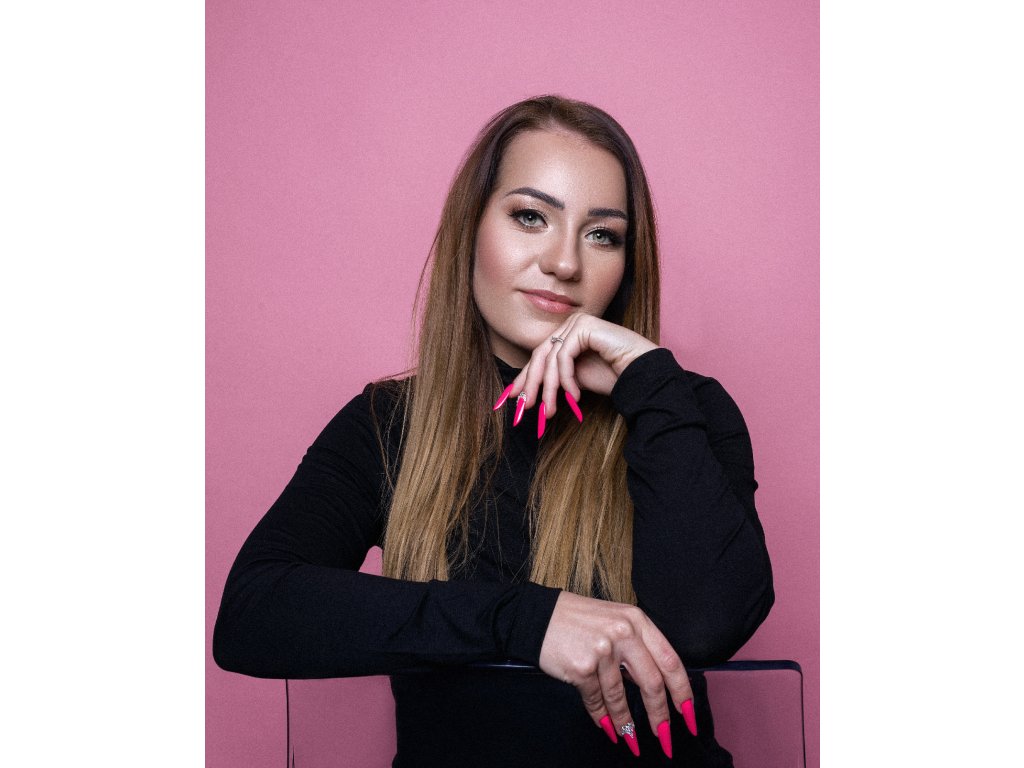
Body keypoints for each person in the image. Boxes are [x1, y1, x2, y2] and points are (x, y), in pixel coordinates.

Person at [213, 95, 774, 767]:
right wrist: (527, 620)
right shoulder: (391, 425)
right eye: (531, 217)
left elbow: (708, 624)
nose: (564, 263)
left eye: (602, 234)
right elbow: (254, 613)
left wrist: (647, 383)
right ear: (471, 228)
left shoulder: (682, 409)